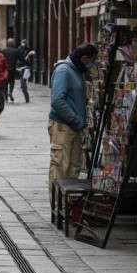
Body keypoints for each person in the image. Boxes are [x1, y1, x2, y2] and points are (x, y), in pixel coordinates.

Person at [47, 43, 97, 203]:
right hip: (63, 127)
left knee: (74, 168)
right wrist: (76, 120)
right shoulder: (64, 70)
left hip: (75, 127)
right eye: (91, 61)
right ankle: (57, 205)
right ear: (84, 58)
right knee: (60, 166)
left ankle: (68, 206)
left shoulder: (77, 72)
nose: (91, 65)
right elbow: (57, 101)